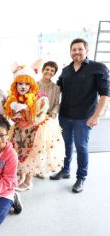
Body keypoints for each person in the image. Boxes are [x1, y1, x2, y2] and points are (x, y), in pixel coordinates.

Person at [50, 38, 110, 193]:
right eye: (73, 49)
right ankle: (65, 170)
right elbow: (57, 90)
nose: (76, 52)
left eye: (79, 49)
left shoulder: (98, 68)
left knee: (81, 146)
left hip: (84, 117)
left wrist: (97, 115)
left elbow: (105, 94)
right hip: (65, 115)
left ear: (86, 50)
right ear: (70, 52)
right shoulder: (66, 70)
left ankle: (81, 177)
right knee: (66, 145)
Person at [4, 63, 64, 191]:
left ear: (31, 85)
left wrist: (25, 110)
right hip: (20, 130)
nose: (23, 87)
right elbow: (13, 118)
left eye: (26, 84)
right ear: (16, 85)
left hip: (36, 130)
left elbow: (36, 118)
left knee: (33, 154)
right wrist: (13, 109)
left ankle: (28, 181)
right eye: (20, 84)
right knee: (20, 153)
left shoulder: (40, 98)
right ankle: (22, 176)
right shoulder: (14, 98)